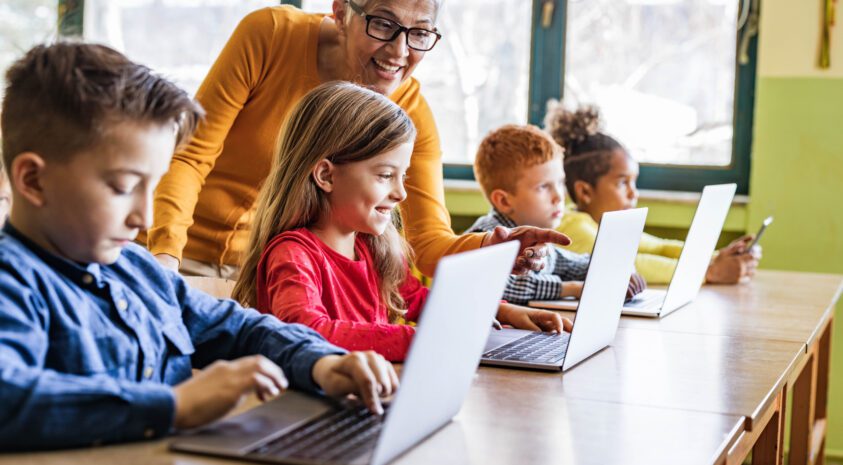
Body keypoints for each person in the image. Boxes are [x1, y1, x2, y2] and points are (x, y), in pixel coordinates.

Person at [0, 43, 396, 450]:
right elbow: (9, 396)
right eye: (122, 187)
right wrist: (172, 405)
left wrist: (322, 364)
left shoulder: (135, 268)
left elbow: (239, 328)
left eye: (152, 188)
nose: (145, 219)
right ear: (32, 180)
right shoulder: (11, 283)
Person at [143, 0, 569, 280]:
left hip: (273, 279)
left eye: (420, 33)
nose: (400, 51)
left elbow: (428, 241)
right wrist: (165, 260)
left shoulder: (412, 115)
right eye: (383, 23)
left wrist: (492, 248)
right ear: (341, 11)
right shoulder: (269, 35)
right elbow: (189, 156)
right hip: (181, 259)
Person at [232, 82, 570, 362]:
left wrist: (504, 312)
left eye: (403, 176)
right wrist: (420, 341)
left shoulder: (370, 246)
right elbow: (306, 331)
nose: (401, 193)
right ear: (325, 175)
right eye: (384, 175)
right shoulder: (293, 255)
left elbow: (420, 300)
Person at [544, 102, 759, 284]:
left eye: (634, 183)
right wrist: (710, 271)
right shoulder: (573, 227)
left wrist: (718, 257)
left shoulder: (604, 224)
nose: (633, 194)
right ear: (585, 191)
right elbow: (627, 266)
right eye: (622, 183)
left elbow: (660, 247)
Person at [467, 124, 646, 305]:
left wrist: (618, 270)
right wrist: (573, 289)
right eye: (544, 187)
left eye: (560, 183)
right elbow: (503, 285)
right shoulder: (485, 236)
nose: (559, 196)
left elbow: (574, 265)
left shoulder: (540, 242)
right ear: (504, 201)